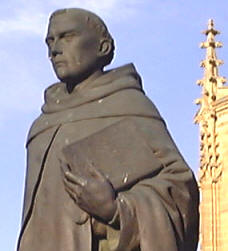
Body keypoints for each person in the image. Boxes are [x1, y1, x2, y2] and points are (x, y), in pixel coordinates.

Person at [17, 8, 199, 251]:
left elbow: (180, 193)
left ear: (103, 47)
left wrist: (115, 209)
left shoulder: (129, 106)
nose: (55, 49)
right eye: (50, 41)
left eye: (67, 37)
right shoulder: (41, 126)